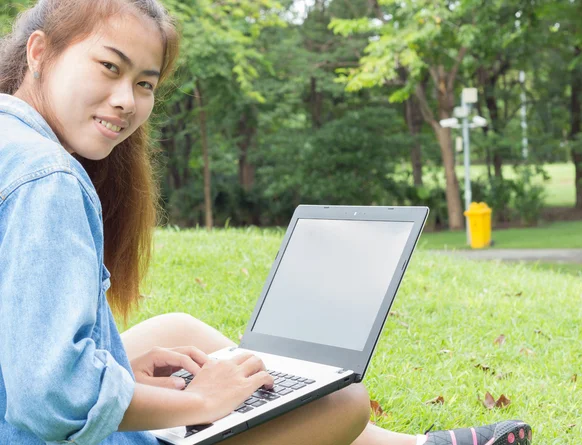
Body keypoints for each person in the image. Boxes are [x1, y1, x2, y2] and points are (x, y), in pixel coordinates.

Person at [0, 1, 533, 444]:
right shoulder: (49, 179)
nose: (125, 100)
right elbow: (50, 397)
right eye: (109, 67)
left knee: (180, 331)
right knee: (343, 402)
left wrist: (120, 371)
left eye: (145, 82)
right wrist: (200, 399)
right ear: (40, 53)